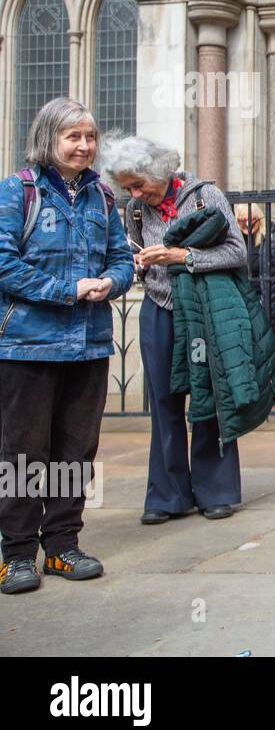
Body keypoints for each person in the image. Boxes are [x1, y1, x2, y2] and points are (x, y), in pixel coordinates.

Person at [0, 99, 134, 594]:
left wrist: (111, 283)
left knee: (75, 451)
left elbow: (122, 257)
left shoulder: (102, 197)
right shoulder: (18, 193)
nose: (84, 145)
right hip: (27, 346)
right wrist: (66, 290)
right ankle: (15, 555)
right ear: (48, 138)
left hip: (89, 345)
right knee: (22, 454)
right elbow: (3, 264)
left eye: (90, 137)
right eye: (73, 137)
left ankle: (61, 547)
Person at [101, 136, 268, 525]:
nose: (135, 194)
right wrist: (139, 263)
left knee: (210, 396)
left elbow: (236, 253)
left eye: (138, 184)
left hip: (203, 308)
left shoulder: (205, 196)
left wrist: (182, 256)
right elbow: (137, 256)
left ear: (158, 171)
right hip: (158, 309)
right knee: (163, 402)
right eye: (128, 188)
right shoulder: (138, 211)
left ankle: (215, 491)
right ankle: (168, 495)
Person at [236, 202, 275, 343]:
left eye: (252, 219)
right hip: (242, 306)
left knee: (268, 351)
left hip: (268, 305)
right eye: (242, 220)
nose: (247, 224)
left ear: (260, 218)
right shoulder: (234, 243)